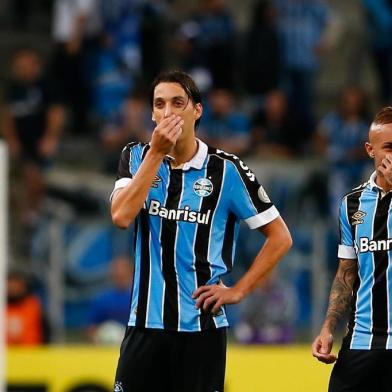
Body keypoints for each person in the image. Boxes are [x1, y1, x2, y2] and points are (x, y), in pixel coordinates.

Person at [110, 70, 292, 392]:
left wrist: (239, 290)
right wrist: (156, 153)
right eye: (160, 104)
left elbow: (280, 237)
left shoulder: (227, 170)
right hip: (143, 327)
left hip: (201, 331)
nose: (168, 113)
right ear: (151, 113)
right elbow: (122, 216)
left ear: (197, 110)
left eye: (178, 103)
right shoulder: (136, 156)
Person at [312, 106, 392, 391]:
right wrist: (327, 327)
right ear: (370, 150)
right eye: (389, 147)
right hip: (361, 342)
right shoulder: (352, 204)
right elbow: (346, 274)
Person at [86, 256, 133, 344]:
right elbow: (91, 328)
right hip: (105, 348)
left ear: (131, 274)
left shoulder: (138, 299)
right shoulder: (103, 299)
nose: (120, 279)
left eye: (123, 275)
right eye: (117, 276)